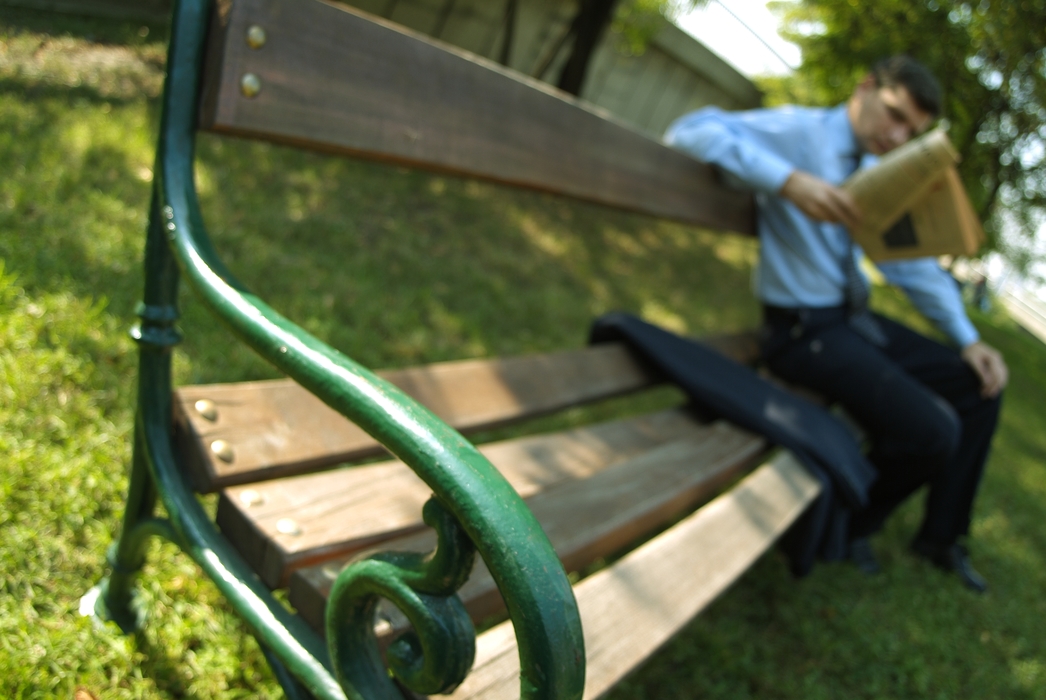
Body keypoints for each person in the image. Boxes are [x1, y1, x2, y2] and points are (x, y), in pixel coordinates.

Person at [664, 55, 1007, 592]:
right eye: (893, 115)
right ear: (865, 86)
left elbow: (911, 267)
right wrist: (788, 182)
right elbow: (689, 130)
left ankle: (941, 537)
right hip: (804, 332)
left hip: (851, 320)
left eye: (911, 131)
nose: (897, 136)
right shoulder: (800, 132)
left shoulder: (878, 168)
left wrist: (969, 340)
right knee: (935, 431)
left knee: (978, 389)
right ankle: (848, 525)